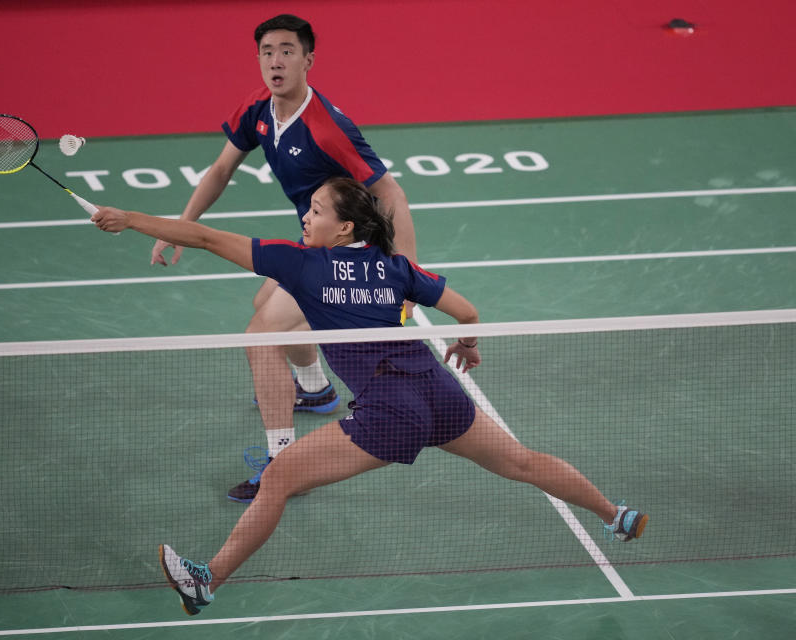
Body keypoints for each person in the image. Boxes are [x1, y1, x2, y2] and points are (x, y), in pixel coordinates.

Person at [91, 177, 649, 617]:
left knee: (279, 478)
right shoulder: (395, 268)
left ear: (343, 228)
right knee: (521, 460)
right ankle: (616, 514)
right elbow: (467, 311)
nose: (305, 217)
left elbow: (208, 238)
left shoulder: (302, 264)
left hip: (391, 411)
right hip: (440, 393)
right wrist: (469, 345)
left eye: (315, 210)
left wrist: (130, 219)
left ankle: (205, 582)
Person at [148, 14, 418, 504]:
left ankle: (282, 464)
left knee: (263, 334)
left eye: (288, 51)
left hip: (352, 249)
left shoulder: (328, 127)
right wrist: (182, 227)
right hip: (318, 241)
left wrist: (407, 272)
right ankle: (315, 390)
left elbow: (391, 192)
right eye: (268, 51)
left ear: (308, 60)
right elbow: (221, 169)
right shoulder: (258, 109)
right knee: (267, 304)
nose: (276, 60)